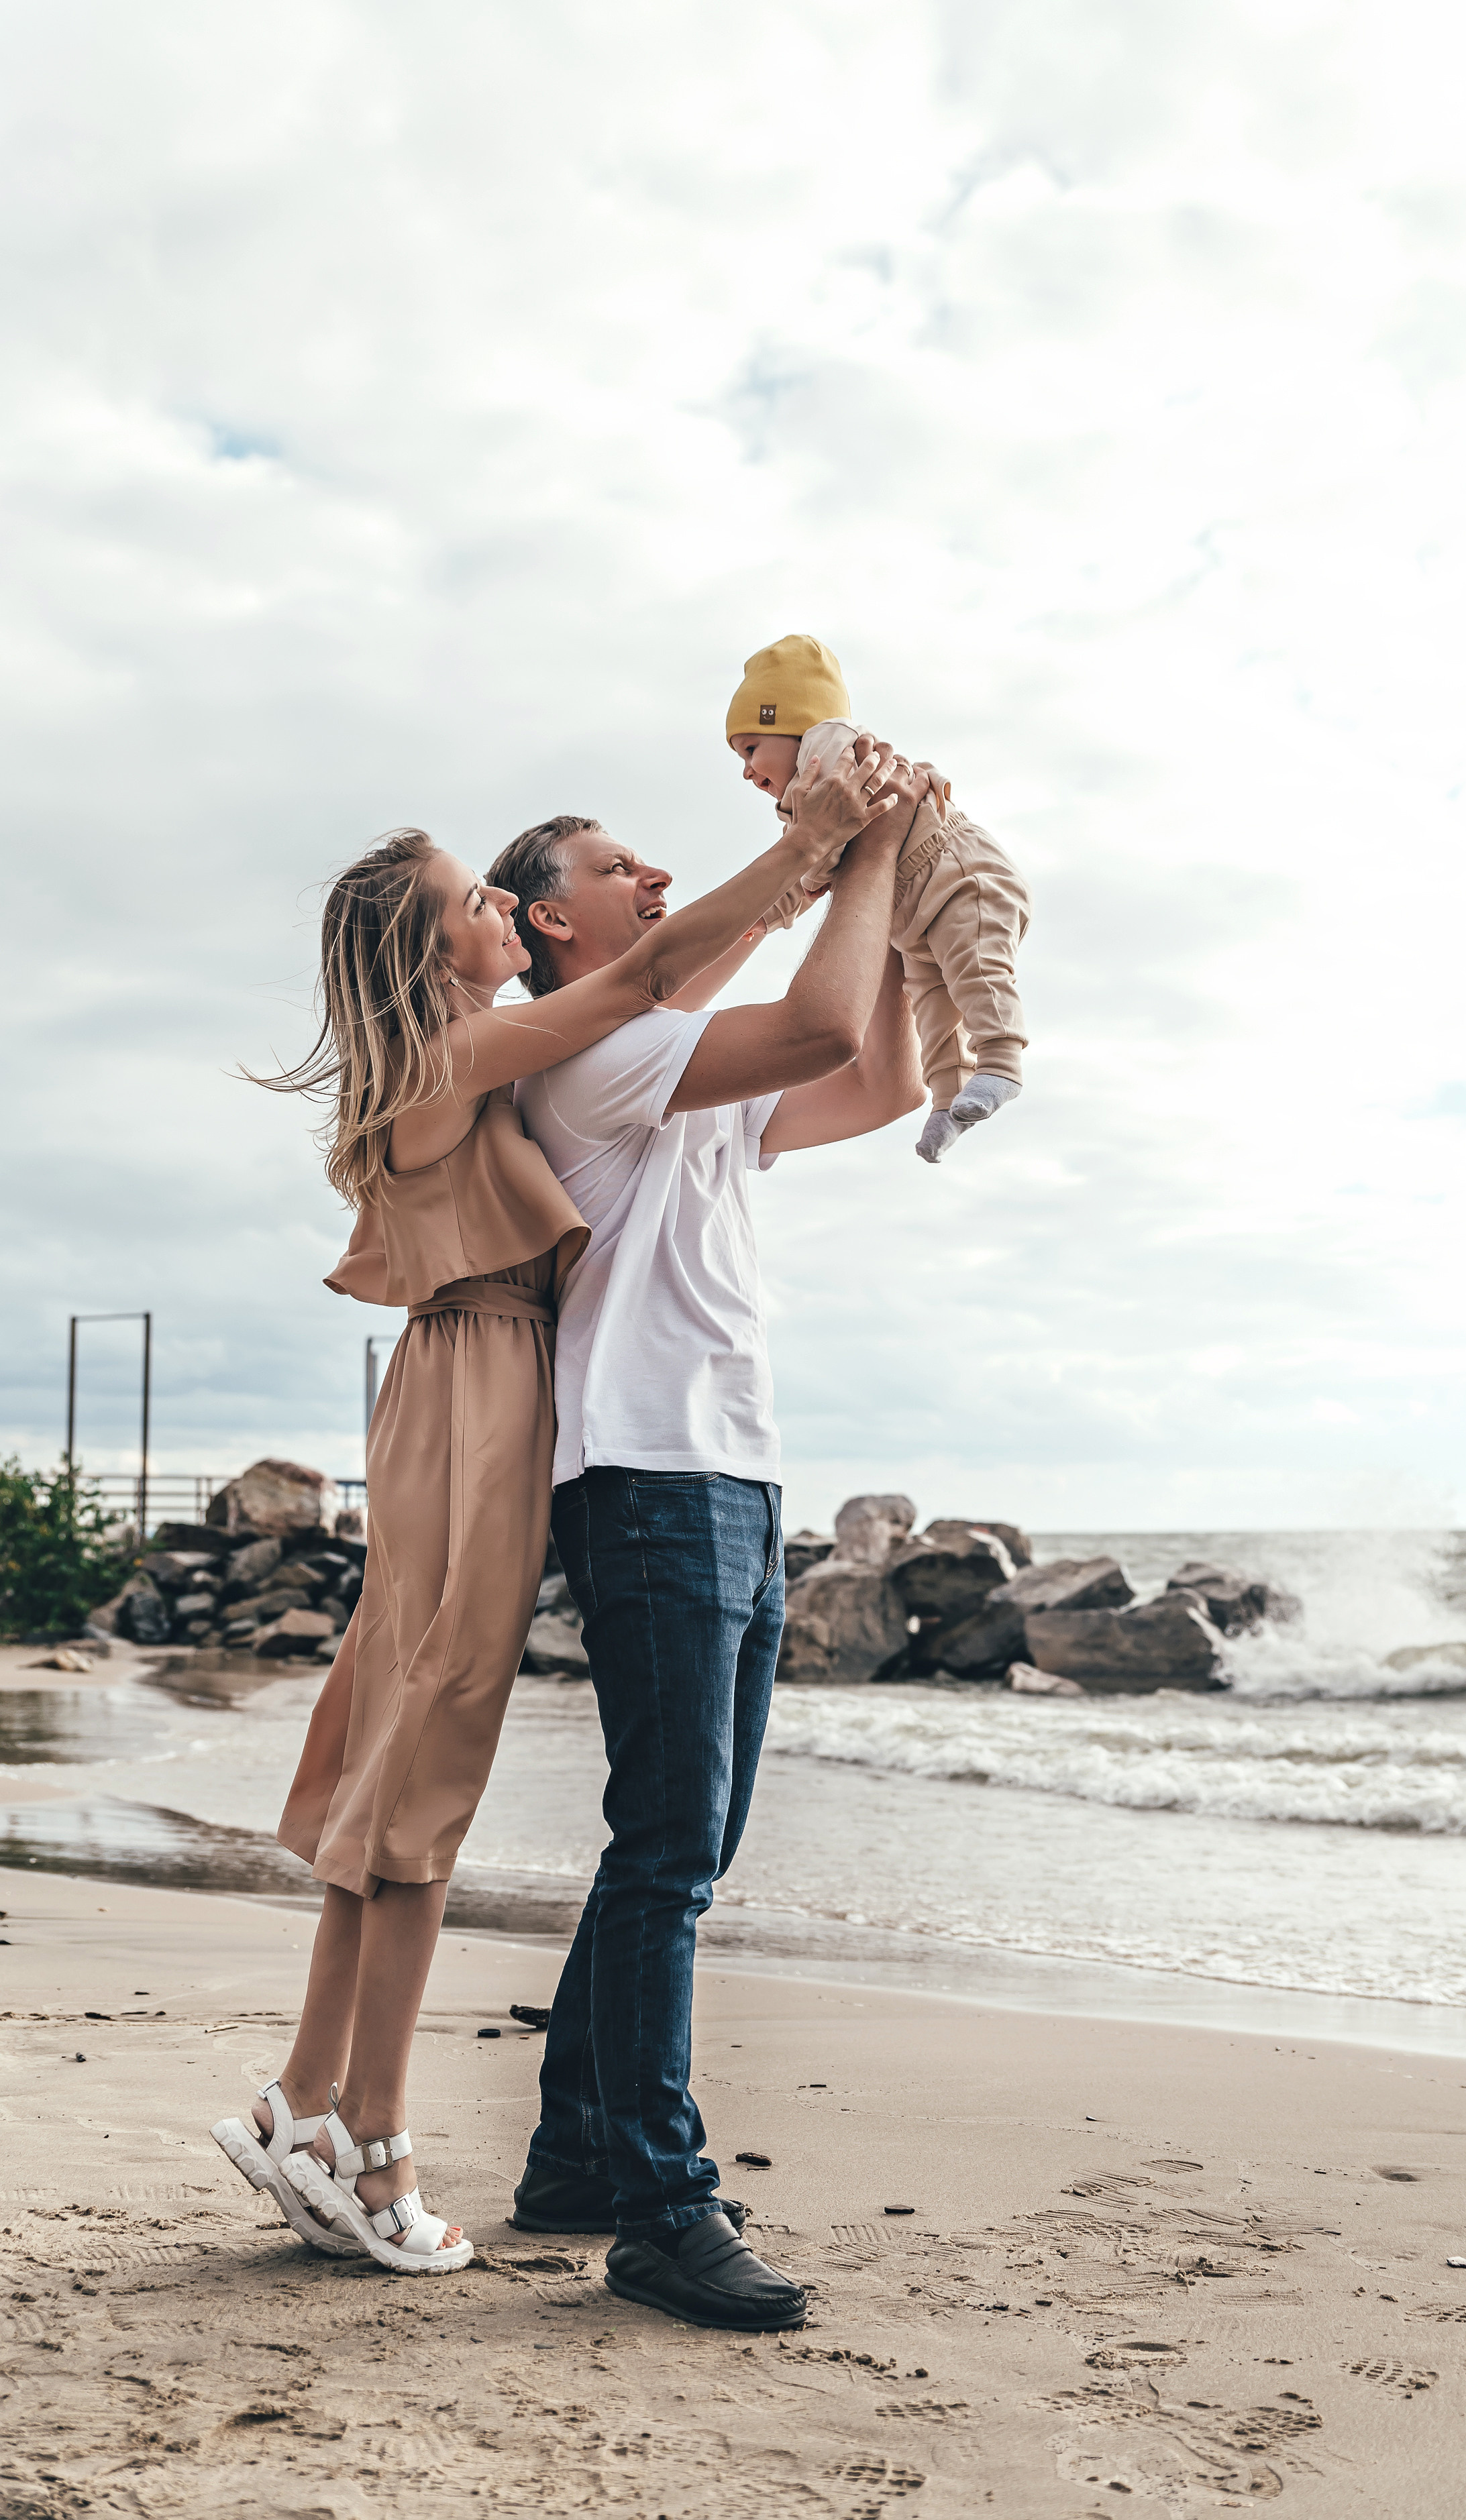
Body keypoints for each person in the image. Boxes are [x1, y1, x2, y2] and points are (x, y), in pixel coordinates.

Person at [209, 753, 890, 2275]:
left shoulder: (489, 1056)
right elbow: (644, 977)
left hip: (478, 1388)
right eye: (475, 899)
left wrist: (814, 871)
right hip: (477, 1394)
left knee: (406, 1743)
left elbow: (653, 983)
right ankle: (373, 2140)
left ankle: (309, 2098)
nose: (503, 910)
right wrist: (814, 843)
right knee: (431, 1749)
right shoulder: (462, 1054)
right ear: (432, 947)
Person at [487, 769, 924, 2330]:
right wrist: (857, 846)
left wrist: (906, 885)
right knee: (670, 1848)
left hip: (731, 1477)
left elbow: (876, 1076)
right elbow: (814, 1025)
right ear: (551, 919)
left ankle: (573, 2157)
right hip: (644, 1476)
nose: (655, 873)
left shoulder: (677, 1064)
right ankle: (663, 2210)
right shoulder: (589, 1051)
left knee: (678, 1847)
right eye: (617, 864)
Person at [727, 633, 1032, 1166]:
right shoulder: (807, 802)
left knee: (975, 968)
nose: (747, 771)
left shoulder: (833, 748)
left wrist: (800, 874)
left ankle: (1002, 1061)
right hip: (910, 910)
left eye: (752, 748)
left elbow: (814, 860)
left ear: (794, 725)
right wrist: (766, 915)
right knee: (932, 1002)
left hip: (958, 874)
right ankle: (949, 1101)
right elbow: (801, 871)